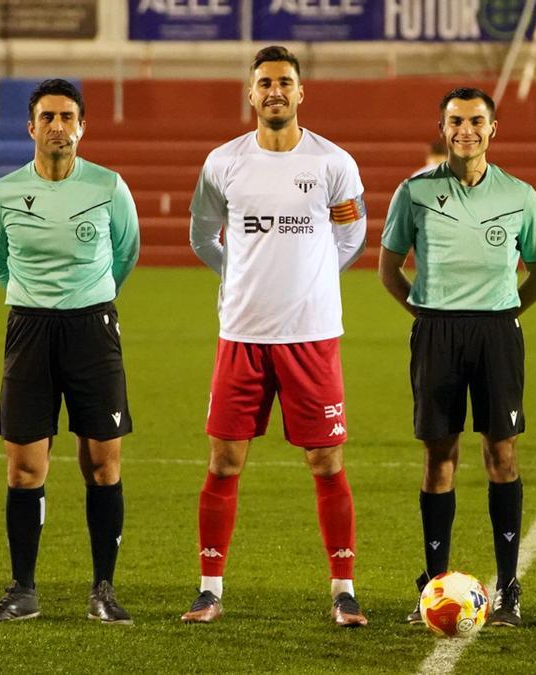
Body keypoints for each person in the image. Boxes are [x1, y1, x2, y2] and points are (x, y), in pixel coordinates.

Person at [181, 46, 368, 627]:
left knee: (326, 461)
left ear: (301, 91)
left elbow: (352, 235)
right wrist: (240, 276)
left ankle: (343, 590)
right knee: (224, 460)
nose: (275, 91)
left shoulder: (334, 163)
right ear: (251, 93)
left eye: (285, 82)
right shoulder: (223, 163)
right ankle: (209, 589)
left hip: (312, 336)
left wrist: (312, 281)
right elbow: (202, 237)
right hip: (242, 335)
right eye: (265, 83)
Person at [379, 87, 536, 627]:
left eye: (476, 121)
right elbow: (389, 268)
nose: (466, 131)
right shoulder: (413, 192)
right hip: (436, 331)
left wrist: (505, 313)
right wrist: (426, 315)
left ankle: (509, 589)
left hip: (497, 332)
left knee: (502, 453)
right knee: (439, 456)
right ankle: (433, 586)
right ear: (442, 128)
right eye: (456, 122)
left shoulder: (520, 195)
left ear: (493, 128)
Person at [0, 79, 140, 624]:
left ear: (82, 126)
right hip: (29, 331)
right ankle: (23, 589)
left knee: (102, 463)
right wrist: (39, 301)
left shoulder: (109, 186)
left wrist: (86, 301)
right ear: (31, 127)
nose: (57, 126)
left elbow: (125, 253)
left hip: (93, 330)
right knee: (25, 468)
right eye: (47, 117)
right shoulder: (2, 193)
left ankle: (103, 590)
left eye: (67, 117)